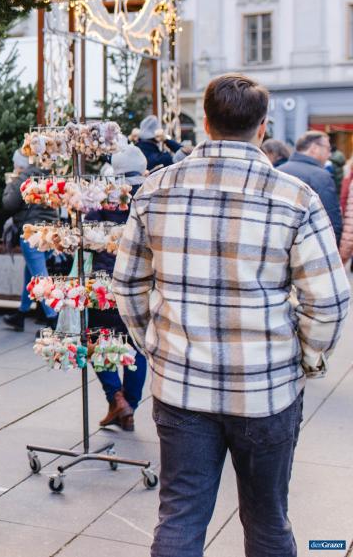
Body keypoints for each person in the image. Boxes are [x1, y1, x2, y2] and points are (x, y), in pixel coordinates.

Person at [114, 73, 349, 557]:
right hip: (265, 387)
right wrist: (306, 358)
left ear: (205, 122)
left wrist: (154, 346)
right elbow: (327, 300)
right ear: (263, 127)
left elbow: (129, 284)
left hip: (181, 383)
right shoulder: (294, 197)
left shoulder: (156, 188)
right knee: (267, 518)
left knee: (180, 516)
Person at [87, 144, 148, 431]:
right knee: (136, 344)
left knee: (98, 338)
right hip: (141, 279)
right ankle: (129, 404)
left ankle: (116, 398)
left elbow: (89, 235)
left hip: (106, 278)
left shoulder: (105, 196)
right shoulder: (151, 194)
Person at [0, 149, 58, 331]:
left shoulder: (23, 177)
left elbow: (9, 204)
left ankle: (54, 319)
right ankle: (21, 313)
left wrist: (10, 184)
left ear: (19, 164)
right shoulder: (46, 174)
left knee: (40, 277)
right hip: (50, 232)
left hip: (31, 233)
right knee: (32, 273)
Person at [280, 130, 343, 242]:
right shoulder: (321, 176)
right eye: (328, 149)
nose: (329, 154)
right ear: (314, 148)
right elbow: (331, 219)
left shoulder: (279, 171)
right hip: (309, 243)